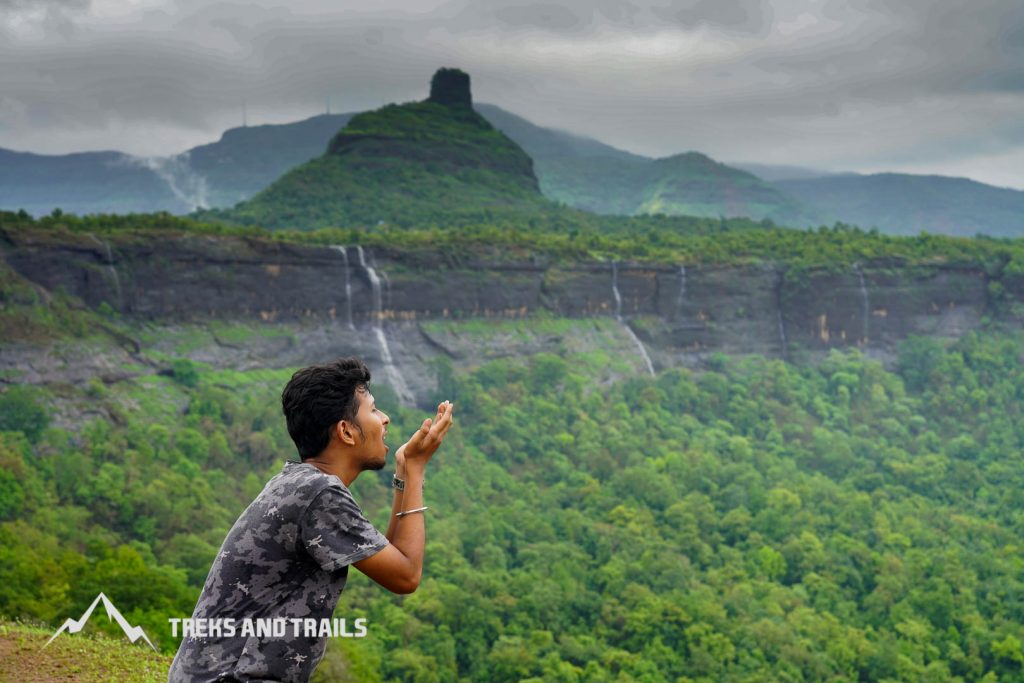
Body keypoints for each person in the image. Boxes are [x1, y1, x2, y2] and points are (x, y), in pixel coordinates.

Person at [168, 358, 454, 682]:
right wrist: (415, 470)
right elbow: (405, 576)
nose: (385, 419)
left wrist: (404, 469)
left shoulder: (299, 483)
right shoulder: (319, 494)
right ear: (345, 431)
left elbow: (393, 560)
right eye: (373, 410)